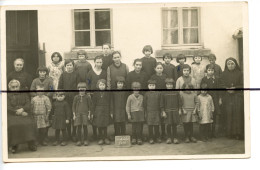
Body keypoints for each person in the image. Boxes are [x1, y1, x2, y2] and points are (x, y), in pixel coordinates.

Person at [7, 79, 37, 153]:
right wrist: (16, 112)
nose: (15, 89)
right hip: (12, 114)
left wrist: (23, 109)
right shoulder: (7, 95)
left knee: (30, 123)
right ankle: (14, 144)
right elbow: (7, 106)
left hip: (24, 112)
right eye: (13, 87)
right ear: (10, 88)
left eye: (16, 87)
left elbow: (28, 104)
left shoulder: (24, 94)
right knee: (13, 125)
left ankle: (31, 143)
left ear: (19, 87)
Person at [220, 58, 244, 140]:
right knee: (228, 113)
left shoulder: (240, 73)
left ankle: (238, 133)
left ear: (235, 64)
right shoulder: (223, 74)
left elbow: (243, 84)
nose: (230, 66)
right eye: (229, 64)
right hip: (227, 97)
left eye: (232, 64)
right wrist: (227, 89)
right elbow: (221, 84)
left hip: (237, 96)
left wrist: (235, 88)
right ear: (226, 65)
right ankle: (229, 133)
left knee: (237, 114)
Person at [58, 59, 79, 142]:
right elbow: (60, 87)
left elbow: (79, 87)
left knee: (74, 116)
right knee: (67, 116)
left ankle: (74, 133)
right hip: (65, 99)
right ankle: (68, 134)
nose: (69, 67)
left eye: (70, 65)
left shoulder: (77, 74)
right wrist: (62, 96)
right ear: (65, 66)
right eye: (67, 65)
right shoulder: (63, 75)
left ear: (73, 66)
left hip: (74, 98)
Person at [201, 64, 222, 137]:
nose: (210, 72)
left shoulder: (217, 79)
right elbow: (202, 89)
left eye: (212, 70)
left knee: (214, 115)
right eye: (209, 70)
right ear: (206, 71)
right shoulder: (204, 79)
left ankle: (213, 132)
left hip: (215, 98)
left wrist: (220, 99)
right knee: (207, 115)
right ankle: (207, 133)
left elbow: (219, 89)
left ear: (214, 71)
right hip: (207, 99)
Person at [160, 78, 181, 144]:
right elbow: (161, 103)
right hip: (167, 111)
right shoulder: (163, 93)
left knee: (174, 125)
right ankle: (169, 138)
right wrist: (163, 111)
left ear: (173, 85)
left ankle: (175, 138)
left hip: (175, 111)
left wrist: (180, 109)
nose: (169, 86)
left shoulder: (176, 92)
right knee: (168, 125)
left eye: (171, 85)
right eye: (168, 85)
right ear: (165, 85)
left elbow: (179, 102)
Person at [92, 79, 112, 145]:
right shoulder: (95, 93)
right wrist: (93, 112)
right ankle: (100, 138)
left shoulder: (108, 93)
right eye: (100, 85)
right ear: (98, 85)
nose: (102, 86)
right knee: (99, 124)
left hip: (106, 110)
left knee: (105, 124)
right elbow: (93, 103)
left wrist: (111, 112)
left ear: (105, 85)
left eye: (103, 85)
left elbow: (110, 102)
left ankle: (105, 137)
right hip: (98, 110)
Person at [73, 82, 93, 146]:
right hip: (78, 114)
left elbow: (90, 106)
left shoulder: (87, 97)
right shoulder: (76, 97)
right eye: (80, 89)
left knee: (85, 127)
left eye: (83, 89)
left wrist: (89, 114)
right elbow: (73, 106)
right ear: (78, 89)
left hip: (85, 114)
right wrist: (74, 115)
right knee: (78, 127)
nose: (82, 91)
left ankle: (85, 140)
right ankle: (79, 140)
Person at [144, 80, 161, 144]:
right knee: (150, 125)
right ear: (148, 86)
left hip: (156, 111)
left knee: (156, 125)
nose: (152, 87)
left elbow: (160, 103)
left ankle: (157, 137)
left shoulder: (158, 93)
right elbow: (145, 104)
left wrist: (160, 111)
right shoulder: (146, 94)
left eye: (153, 85)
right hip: (149, 111)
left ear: (155, 86)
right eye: (150, 85)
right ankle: (150, 138)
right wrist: (145, 112)